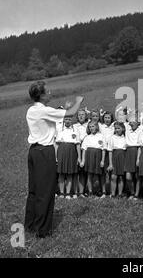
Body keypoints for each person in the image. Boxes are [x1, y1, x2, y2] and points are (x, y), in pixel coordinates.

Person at [25, 80, 83, 238]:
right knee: (46, 191)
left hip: (34, 152)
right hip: (45, 152)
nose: (50, 93)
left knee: (34, 190)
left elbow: (56, 116)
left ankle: (30, 225)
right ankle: (42, 231)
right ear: (42, 95)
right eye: (47, 91)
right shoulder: (44, 111)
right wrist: (79, 101)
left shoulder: (31, 110)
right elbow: (70, 113)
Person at [55, 116, 81, 199]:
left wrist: (79, 157)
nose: (68, 121)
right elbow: (57, 144)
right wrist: (55, 156)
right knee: (61, 173)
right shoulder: (59, 129)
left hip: (72, 151)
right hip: (62, 151)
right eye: (66, 119)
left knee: (70, 173)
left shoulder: (75, 129)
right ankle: (62, 193)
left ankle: (68, 193)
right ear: (63, 120)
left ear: (72, 120)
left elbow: (77, 144)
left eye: (69, 119)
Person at [80, 121, 104, 197]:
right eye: (90, 127)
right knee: (89, 174)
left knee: (98, 174)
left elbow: (103, 149)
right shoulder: (87, 137)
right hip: (89, 156)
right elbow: (84, 150)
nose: (91, 128)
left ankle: (98, 190)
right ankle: (90, 191)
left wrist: (102, 160)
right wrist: (83, 161)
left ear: (96, 127)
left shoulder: (101, 136)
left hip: (98, 156)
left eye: (93, 126)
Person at [125, 112, 142, 199]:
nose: (131, 123)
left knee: (138, 176)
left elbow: (140, 146)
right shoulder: (127, 129)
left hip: (137, 151)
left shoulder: (141, 130)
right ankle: (132, 192)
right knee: (128, 176)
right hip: (128, 152)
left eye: (133, 121)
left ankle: (136, 194)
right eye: (130, 121)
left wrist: (138, 159)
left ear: (138, 122)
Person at [107, 122, 127, 198]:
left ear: (123, 129)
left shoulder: (125, 137)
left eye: (119, 128)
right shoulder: (112, 138)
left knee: (121, 177)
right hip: (114, 157)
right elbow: (110, 151)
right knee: (113, 176)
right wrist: (110, 163)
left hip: (123, 157)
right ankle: (112, 193)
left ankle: (120, 193)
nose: (117, 130)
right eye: (115, 128)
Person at [74, 108, 89, 197]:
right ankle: (76, 191)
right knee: (76, 171)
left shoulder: (88, 125)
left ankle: (82, 191)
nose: (81, 116)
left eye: (83, 114)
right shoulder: (74, 126)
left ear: (86, 116)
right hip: (75, 148)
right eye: (79, 115)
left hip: (86, 149)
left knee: (84, 171)